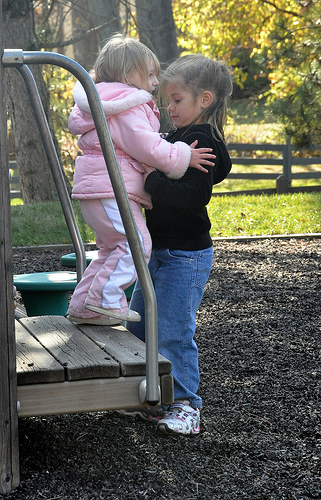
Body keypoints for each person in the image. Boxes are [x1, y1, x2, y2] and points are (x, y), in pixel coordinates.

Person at [66, 34, 215, 326]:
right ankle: (104, 300)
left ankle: (83, 305)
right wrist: (182, 155)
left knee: (111, 249)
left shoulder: (103, 102)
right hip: (112, 190)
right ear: (127, 75)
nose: (155, 82)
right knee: (136, 244)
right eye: (149, 74)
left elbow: (130, 143)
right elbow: (145, 145)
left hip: (98, 190)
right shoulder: (127, 104)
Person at [125, 54, 233, 435]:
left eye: (176, 100)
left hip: (184, 256)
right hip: (160, 253)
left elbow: (193, 195)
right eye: (167, 101)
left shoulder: (201, 139)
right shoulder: (181, 137)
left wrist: (153, 181)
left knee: (172, 329)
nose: (169, 109)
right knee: (139, 328)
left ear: (204, 99)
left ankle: (187, 405)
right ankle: (151, 396)